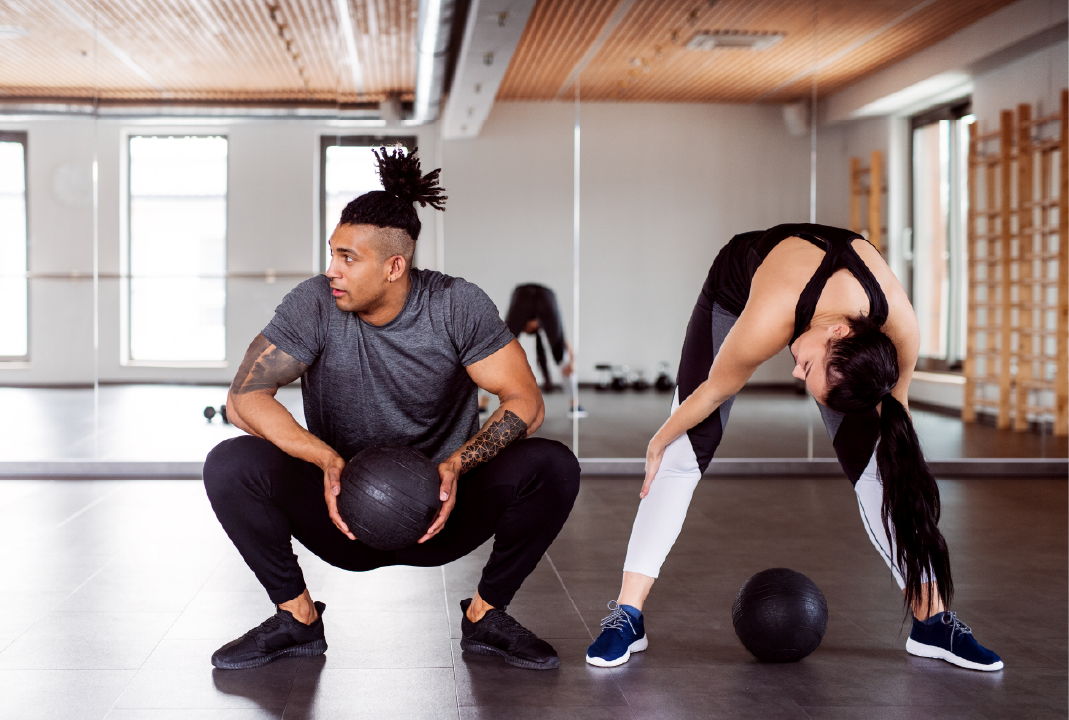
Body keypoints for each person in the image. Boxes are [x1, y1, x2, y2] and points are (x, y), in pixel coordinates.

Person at [203, 147, 580, 672]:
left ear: (394, 266)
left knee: (553, 465)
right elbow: (243, 399)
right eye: (332, 253)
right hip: (341, 514)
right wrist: (329, 463)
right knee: (230, 462)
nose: (331, 270)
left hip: (441, 512)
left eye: (347, 258)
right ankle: (297, 619)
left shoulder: (455, 305)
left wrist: (453, 468)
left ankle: (486, 615)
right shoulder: (314, 303)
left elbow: (526, 403)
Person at [584, 223, 1003, 672]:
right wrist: (657, 442)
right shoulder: (768, 317)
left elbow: (895, 420)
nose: (795, 374)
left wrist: (904, 469)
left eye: (804, 372)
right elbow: (709, 394)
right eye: (806, 366)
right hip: (740, 287)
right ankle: (627, 616)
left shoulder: (898, 334)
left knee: (882, 471)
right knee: (682, 451)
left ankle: (933, 621)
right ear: (838, 333)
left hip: (817, 301)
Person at [504, 284, 585, 417]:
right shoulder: (543, 319)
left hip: (522, 294)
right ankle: (575, 406)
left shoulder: (528, 319)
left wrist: (573, 364)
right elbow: (563, 341)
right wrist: (572, 363)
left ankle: (482, 406)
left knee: (499, 354)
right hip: (545, 294)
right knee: (560, 352)